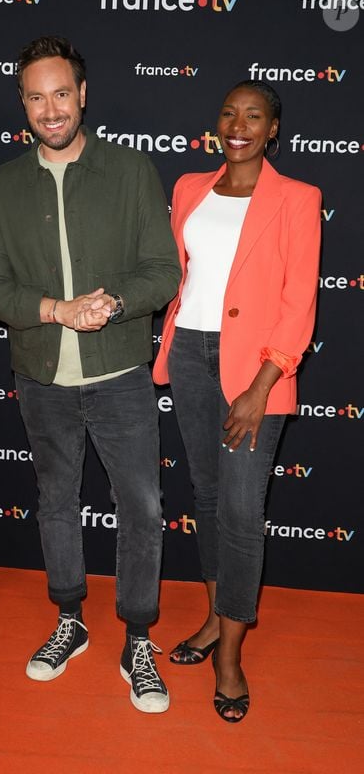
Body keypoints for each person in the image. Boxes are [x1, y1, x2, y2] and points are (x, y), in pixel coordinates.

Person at [0, 35, 180, 713]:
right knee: (55, 502)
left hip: (119, 372)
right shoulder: (1, 187)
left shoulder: (129, 169)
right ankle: (70, 620)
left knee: (143, 508)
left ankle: (139, 637)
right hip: (40, 379)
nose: (50, 108)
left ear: (83, 95)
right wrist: (56, 309)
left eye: (61, 93)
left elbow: (163, 270)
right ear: (23, 105)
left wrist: (113, 303)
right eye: (36, 96)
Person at [153, 80, 321, 722]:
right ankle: (212, 618)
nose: (239, 123)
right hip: (191, 355)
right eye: (229, 113)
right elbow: (179, 276)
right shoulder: (189, 188)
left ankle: (229, 654)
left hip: (255, 368)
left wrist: (262, 383)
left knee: (243, 510)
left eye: (254, 115)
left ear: (274, 127)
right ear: (216, 123)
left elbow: (298, 302)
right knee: (206, 496)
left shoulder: (299, 199)